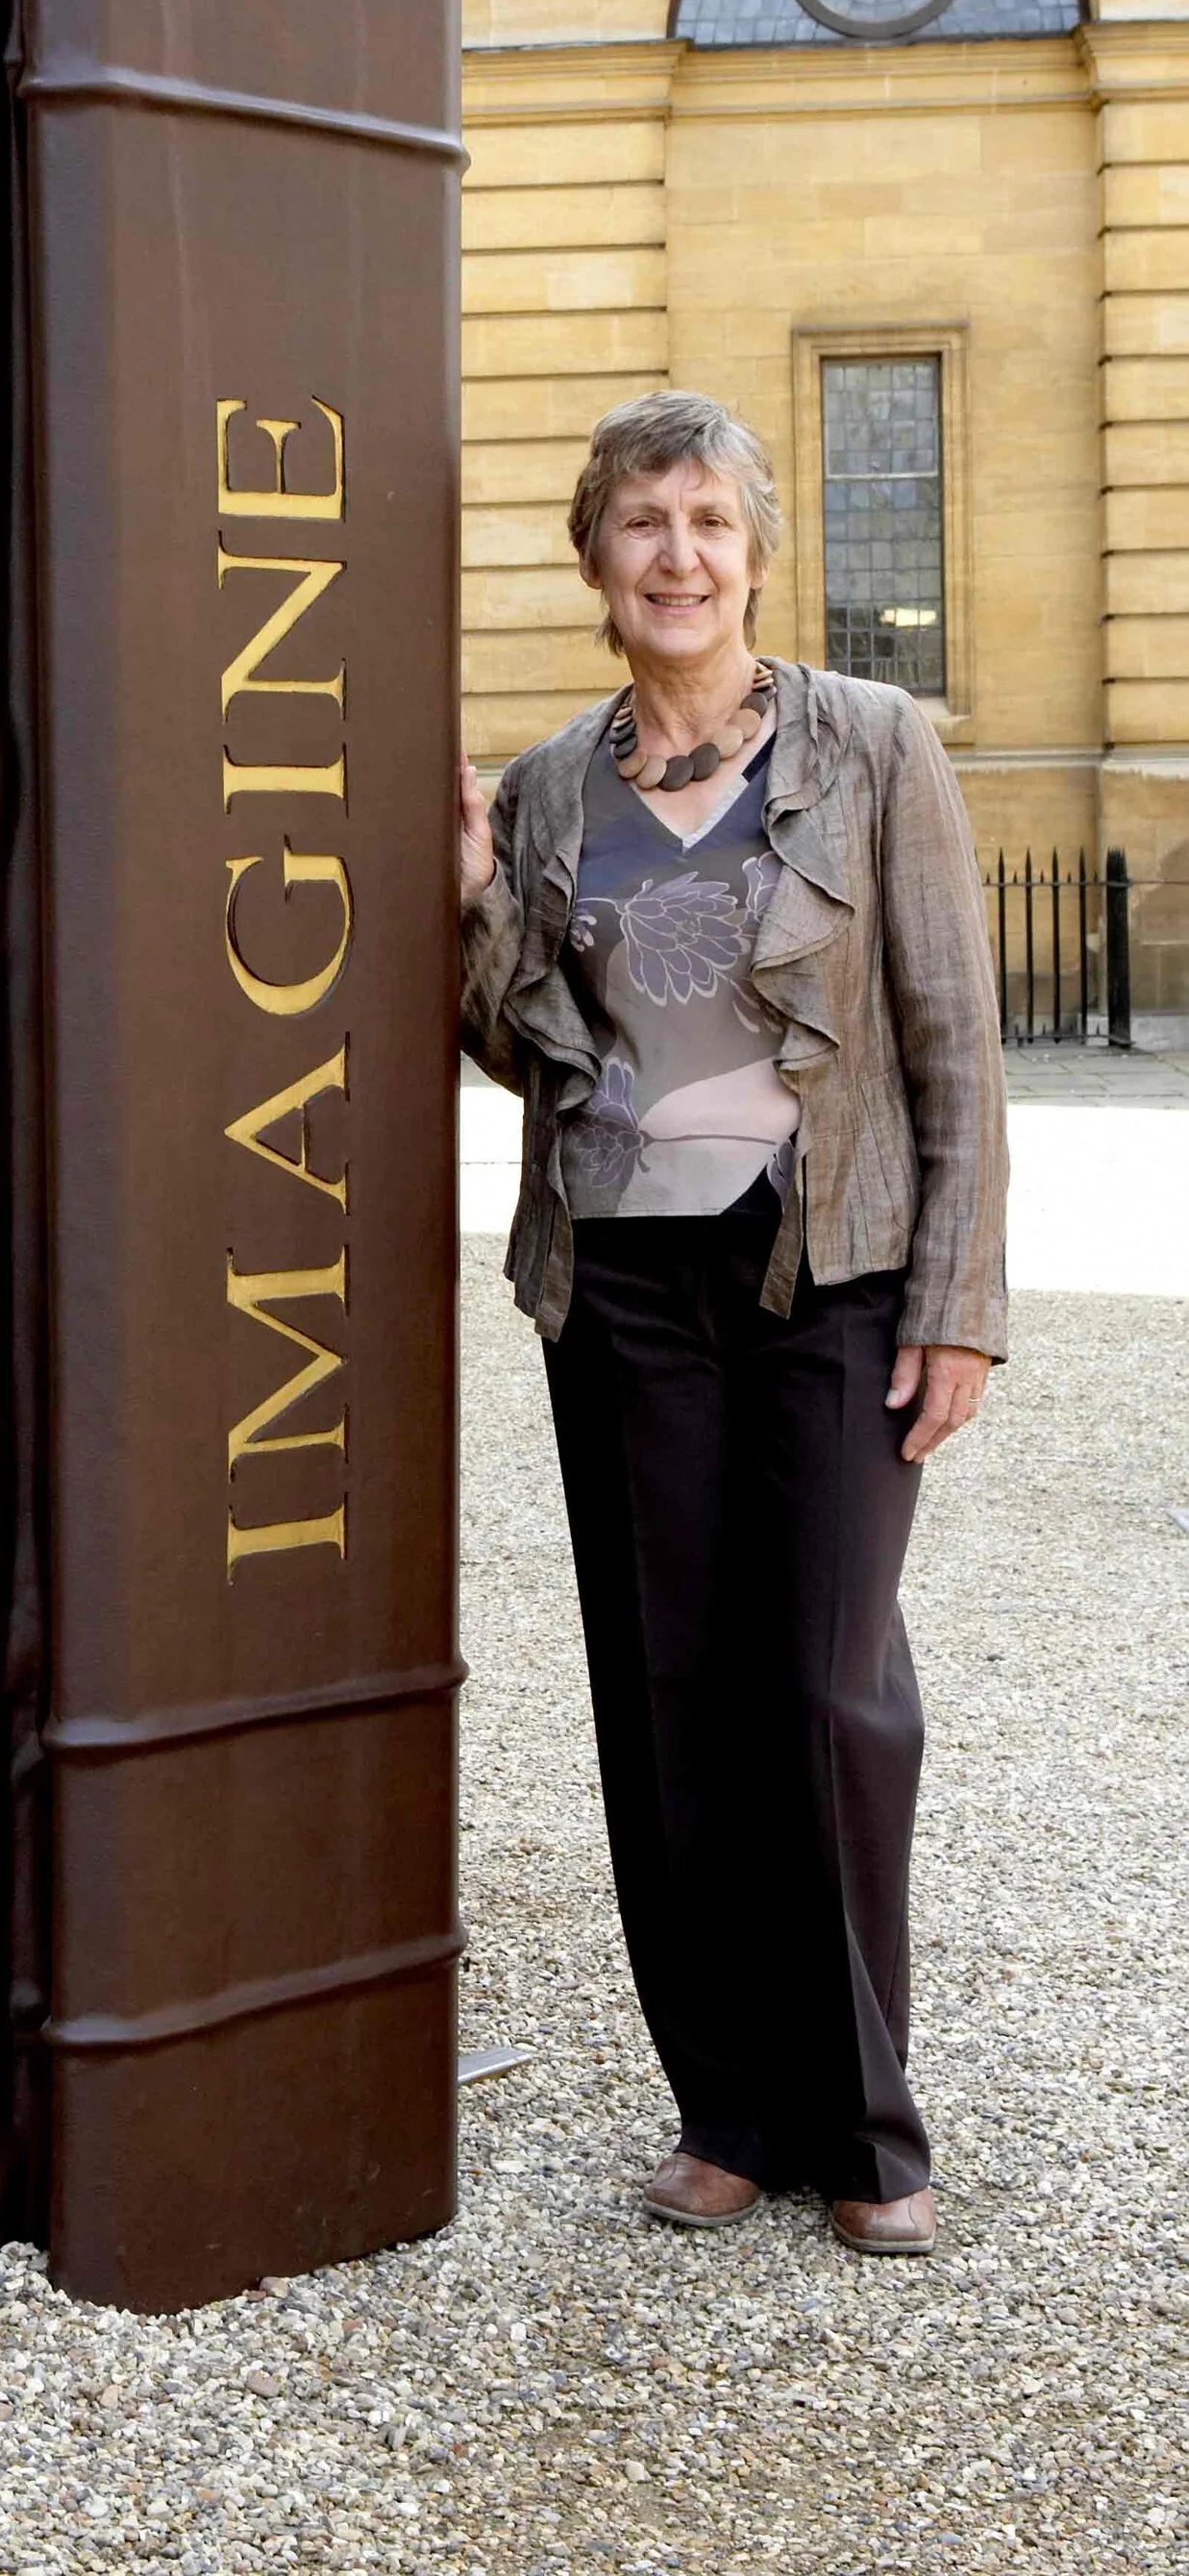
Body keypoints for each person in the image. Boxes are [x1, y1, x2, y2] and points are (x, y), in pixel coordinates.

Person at [458, 390, 1005, 2262]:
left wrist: (960, 1302)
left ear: (753, 549)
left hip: (826, 1264)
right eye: (639, 523)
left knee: (831, 1686)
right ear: (592, 559)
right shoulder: (546, 786)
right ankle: (724, 2105)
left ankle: (862, 2119)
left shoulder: (870, 741)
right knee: (665, 1687)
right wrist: (466, 905)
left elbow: (948, 1033)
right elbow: (524, 1041)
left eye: (705, 519)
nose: (674, 554)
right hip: (614, 1277)